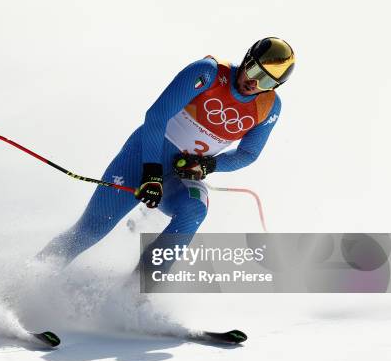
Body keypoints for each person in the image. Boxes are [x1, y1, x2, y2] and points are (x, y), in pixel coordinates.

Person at [39, 37, 295, 267]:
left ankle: (132, 300)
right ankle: (27, 282)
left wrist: (207, 166)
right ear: (246, 58)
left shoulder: (268, 107)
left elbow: (248, 154)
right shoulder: (209, 73)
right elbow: (156, 117)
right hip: (142, 159)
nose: (253, 82)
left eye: (266, 81)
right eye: (252, 70)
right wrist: (151, 173)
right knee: (90, 230)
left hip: (180, 174)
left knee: (194, 210)